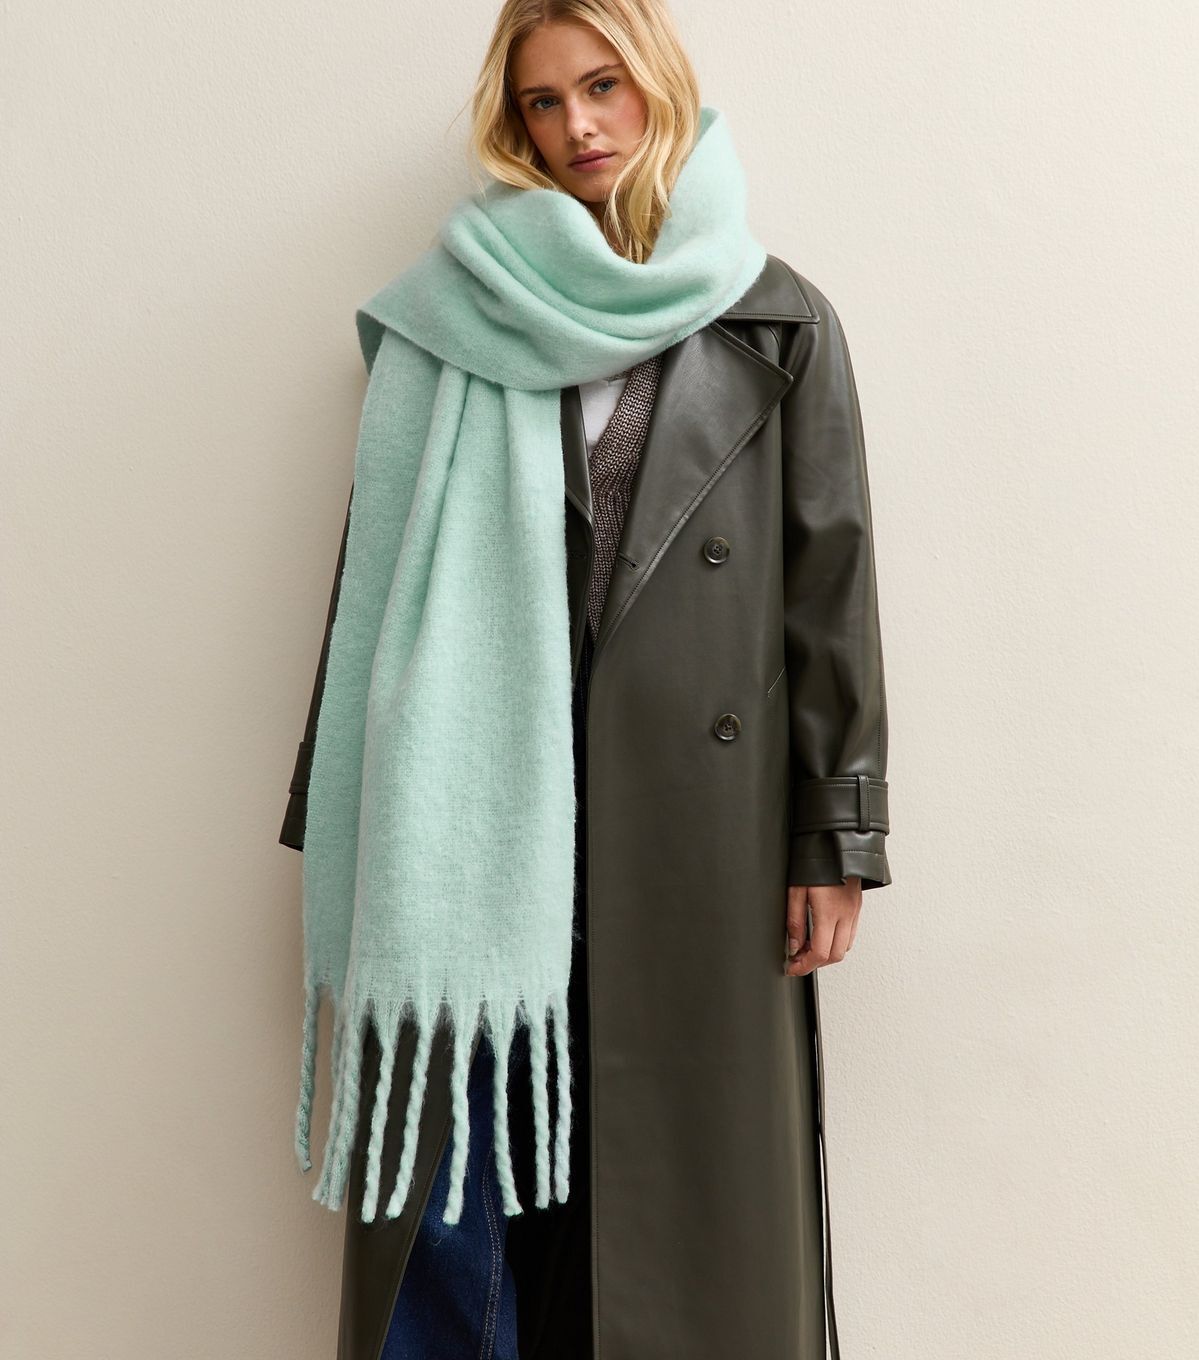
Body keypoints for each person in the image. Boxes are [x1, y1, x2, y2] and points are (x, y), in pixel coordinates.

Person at [278, 3, 892, 1358]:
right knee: (470, 1183)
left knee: (672, 1213)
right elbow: (379, 580)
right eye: (544, 102)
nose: (578, 128)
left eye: (602, 86)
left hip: (698, 828)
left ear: (655, 81)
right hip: (477, 813)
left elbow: (827, 591)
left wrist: (835, 837)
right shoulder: (457, 315)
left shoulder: (776, 318)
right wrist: (345, 804)